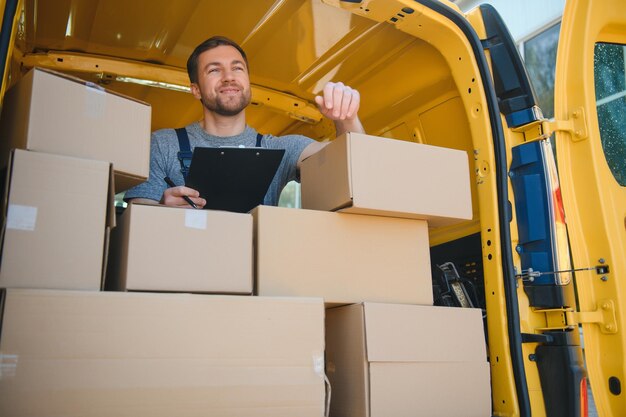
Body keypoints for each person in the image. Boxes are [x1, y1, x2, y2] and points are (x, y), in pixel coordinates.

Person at [124, 36, 365, 208]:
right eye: (214, 70)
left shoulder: (282, 149)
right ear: (196, 90)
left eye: (237, 68)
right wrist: (162, 211)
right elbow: (136, 213)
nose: (229, 77)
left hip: (255, 275)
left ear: (248, 81)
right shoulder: (162, 143)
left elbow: (353, 167)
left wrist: (346, 119)